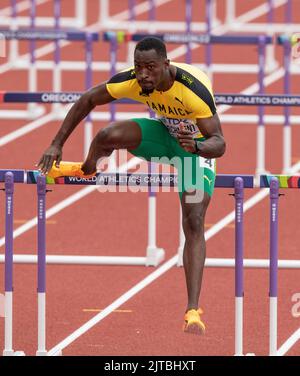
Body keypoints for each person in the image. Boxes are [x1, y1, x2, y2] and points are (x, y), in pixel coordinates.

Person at [38, 36, 226, 335]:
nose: (143, 75)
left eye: (150, 68)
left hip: (195, 149)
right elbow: (88, 99)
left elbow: (220, 143)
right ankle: (87, 168)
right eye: (139, 67)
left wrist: (198, 148)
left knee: (194, 220)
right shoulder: (133, 80)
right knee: (107, 135)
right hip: (164, 136)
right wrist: (56, 143)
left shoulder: (193, 91)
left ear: (166, 65)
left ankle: (192, 309)